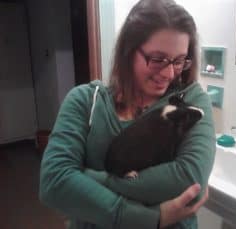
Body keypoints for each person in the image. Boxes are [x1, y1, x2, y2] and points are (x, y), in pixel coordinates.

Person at [39, 0, 216, 228]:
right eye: (157, 59)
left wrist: (93, 181)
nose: (169, 73)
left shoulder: (190, 102)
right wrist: (153, 218)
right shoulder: (85, 101)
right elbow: (54, 182)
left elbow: (190, 179)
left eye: (179, 60)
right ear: (128, 51)